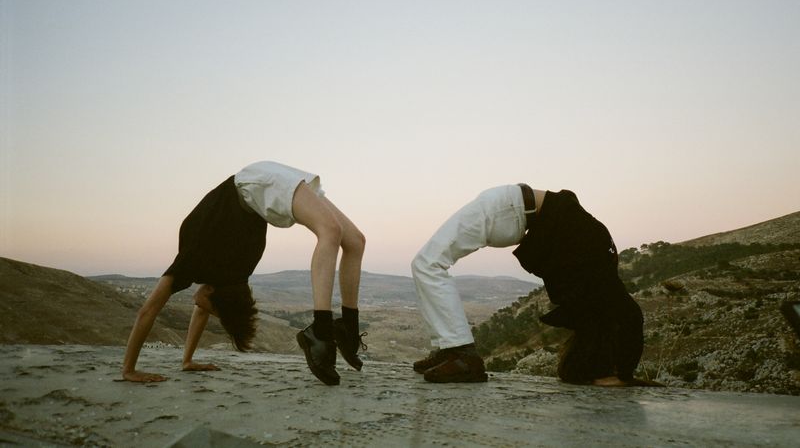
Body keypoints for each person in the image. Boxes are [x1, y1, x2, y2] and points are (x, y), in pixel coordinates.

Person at [121, 161, 367, 386]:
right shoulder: (231, 274)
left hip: (253, 184)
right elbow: (203, 308)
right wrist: (187, 361)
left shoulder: (192, 262)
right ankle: (337, 328)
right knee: (346, 237)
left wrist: (129, 369)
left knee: (342, 235)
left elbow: (148, 310)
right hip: (258, 188)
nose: (203, 309)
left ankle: (331, 329)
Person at [411, 183, 644, 386]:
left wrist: (621, 373)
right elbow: (628, 313)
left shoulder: (591, 247)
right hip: (510, 206)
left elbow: (618, 313)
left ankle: (458, 352)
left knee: (426, 263)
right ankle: (455, 351)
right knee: (427, 263)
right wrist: (623, 374)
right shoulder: (594, 255)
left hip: (512, 206)